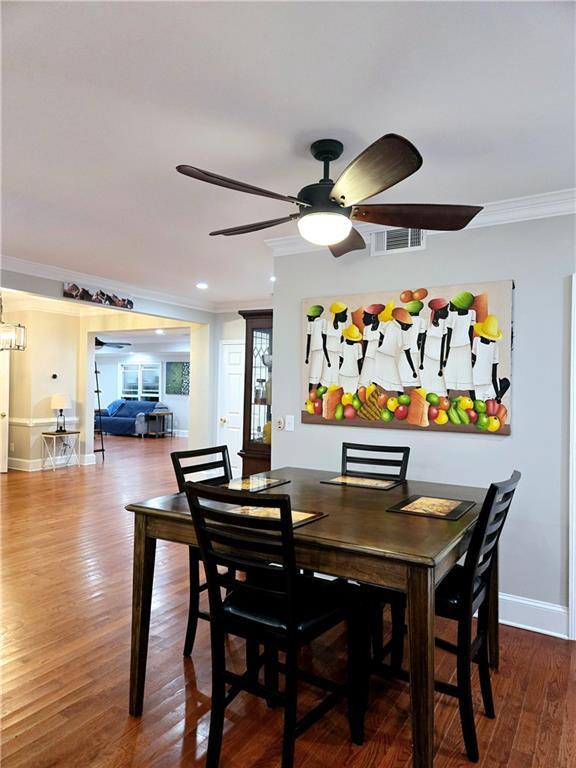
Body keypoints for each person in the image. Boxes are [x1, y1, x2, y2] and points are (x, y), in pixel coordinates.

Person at [374, 307, 417, 394]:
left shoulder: (388, 324)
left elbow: (381, 337)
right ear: (403, 324)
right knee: (396, 383)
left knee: (376, 378)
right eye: (408, 326)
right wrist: (413, 370)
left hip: (380, 354)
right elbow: (407, 353)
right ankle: (401, 399)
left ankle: (369, 398)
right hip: (389, 358)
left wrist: (379, 348)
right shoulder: (403, 333)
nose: (409, 329)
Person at [444, 291, 476, 397]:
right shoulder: (452, 315)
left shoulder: (471, 314)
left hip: (464, 347)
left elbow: (470, 333)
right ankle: (445, 399)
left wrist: (472, 352)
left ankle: (473, 398)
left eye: (453, 304)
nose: (450, 306)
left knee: (466, 374)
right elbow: (449, 335)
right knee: (449, 374)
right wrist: (446, 355)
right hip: (456, 347)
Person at [472, 315, 511, 402]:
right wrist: (498, 395)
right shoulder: (491, 346)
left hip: (481, 384)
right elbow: (494, 374)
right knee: (505, 382)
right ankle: (491, 400)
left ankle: (490, 400)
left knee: (505, 382)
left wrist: (498, 395)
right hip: (480, 385)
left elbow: (472, 363)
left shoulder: (477, 341)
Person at [419, 297, 449, 396]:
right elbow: (423, 343)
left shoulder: (445, 324)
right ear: (438, 311)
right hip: (427, 359)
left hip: (438, 361)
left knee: (439, 389)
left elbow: (443, 346)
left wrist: (441, 366)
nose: (447, 312)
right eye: (445, 310)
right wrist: (421, 362)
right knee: (426, 386)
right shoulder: (428, 323)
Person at [399, 300, 426, 387]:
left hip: (403, 350)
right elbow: (421, 340)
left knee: (402, 374)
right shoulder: (421, 321)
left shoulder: (404, 320)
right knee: (415, 376)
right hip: (414, 350)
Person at [322, 301, 348, 386]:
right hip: (328, 354)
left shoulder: (342, 326)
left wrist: (341, 357)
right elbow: (324, 343)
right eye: (344, 313)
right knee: (326, 376)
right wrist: (327, 359)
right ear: (337, 314)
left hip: (337, 355)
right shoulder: (327, 324)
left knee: (336, 379)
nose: (346, 316)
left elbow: (342, 342)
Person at [304, 305, 330, 392]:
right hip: (316, 351)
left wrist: (327, 358)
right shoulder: (311, 324)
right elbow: (309, 340)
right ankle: (312, 393)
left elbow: (323, 340)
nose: (308, 318)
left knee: (318, 372)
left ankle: (316, 391)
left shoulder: (322, 321)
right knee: (314, 372)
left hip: (319, 350)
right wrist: (307, 356)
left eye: (309, 316)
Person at [359, 303, 384, 387]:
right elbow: (365, 344)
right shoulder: (367, 329)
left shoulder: (383, 327)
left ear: (373, 317)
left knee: (375, 379)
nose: (363, 319)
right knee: (364, 379)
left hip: (378, 357)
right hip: (368, 357)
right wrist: (363, 358)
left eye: (366, 316)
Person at [339, 324, 363, 394]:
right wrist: (360, 373)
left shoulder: (342, 345)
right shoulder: (358, 346)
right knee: (350, 394)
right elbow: (359, 361)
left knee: (345, 394)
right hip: (353, 373)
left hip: (345, 373)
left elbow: (340, 360)